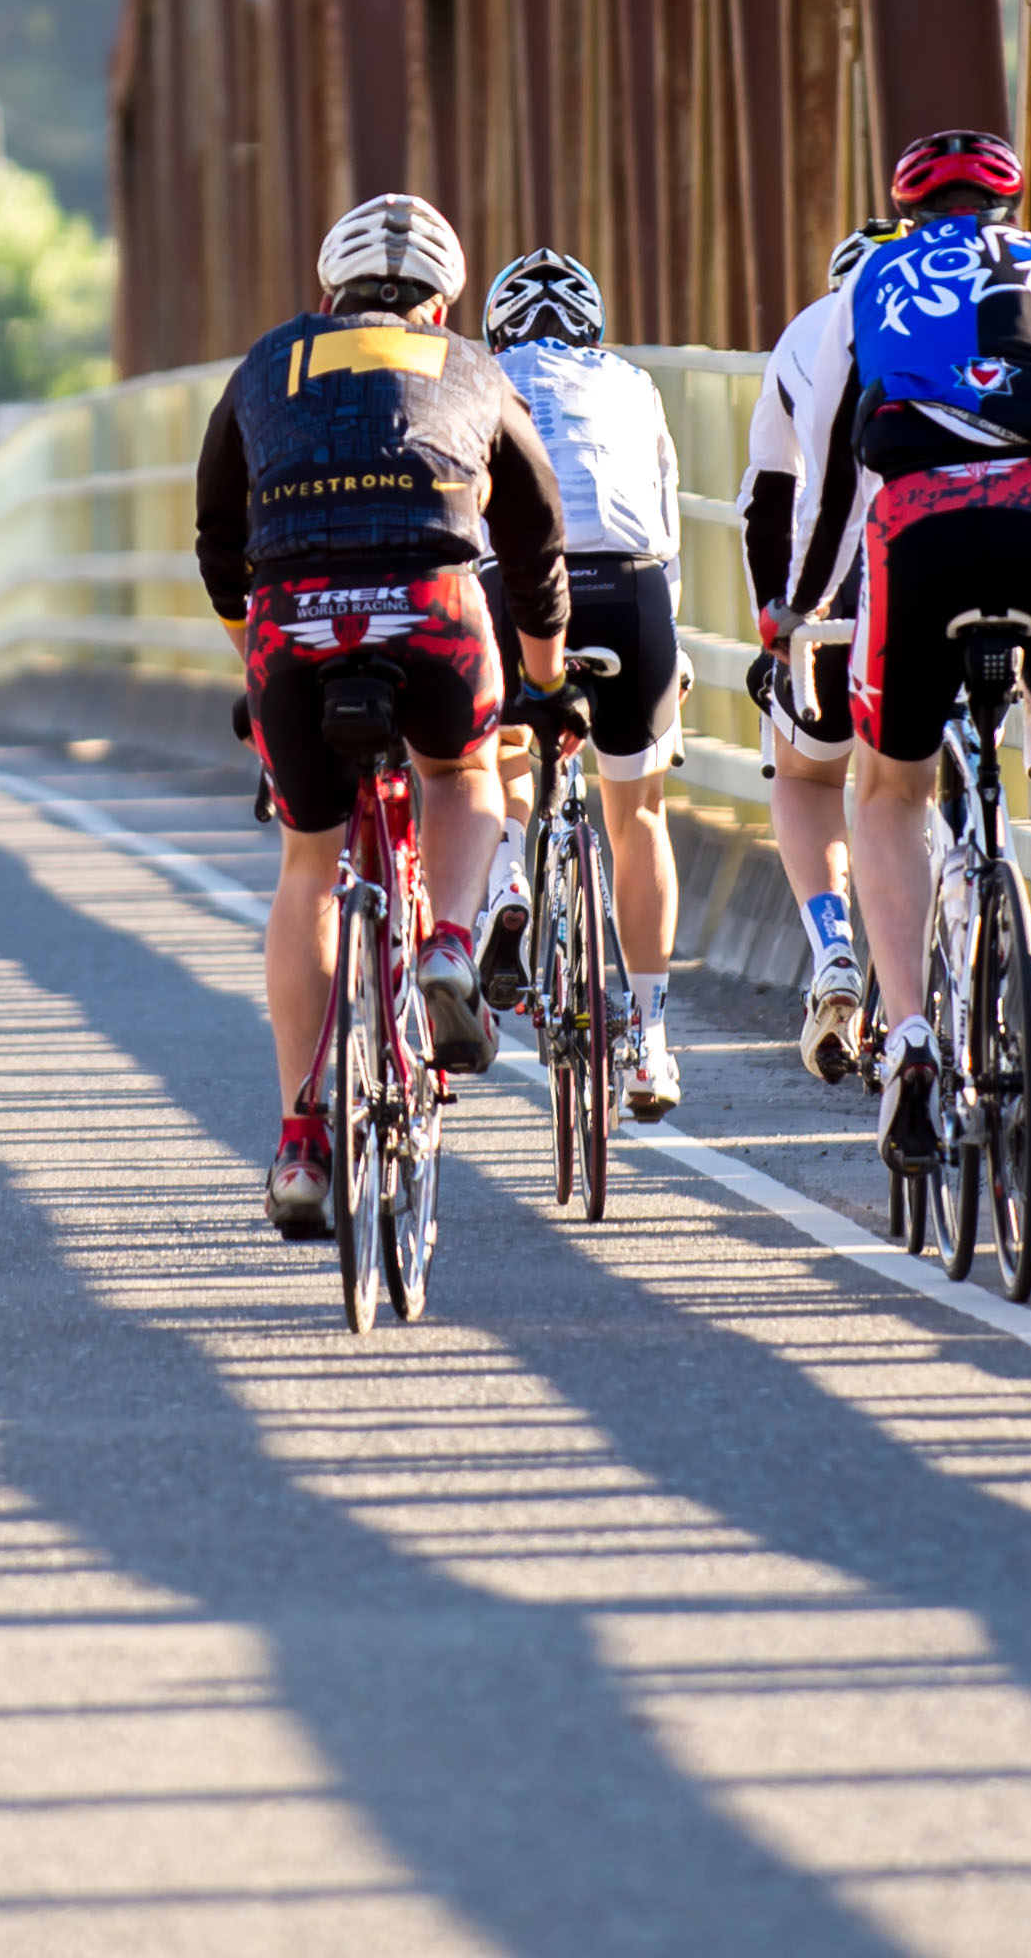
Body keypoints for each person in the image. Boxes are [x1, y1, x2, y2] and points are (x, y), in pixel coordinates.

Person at [195, 192, 569, 1237]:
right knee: (462, 770)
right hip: (431, 606)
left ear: (326, 296)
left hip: (292, 623)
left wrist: (256, 659)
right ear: (442, 306)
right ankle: (446, 945)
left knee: (308, 865)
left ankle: (300, 1144)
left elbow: (218, 539)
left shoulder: (267, 362)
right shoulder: (471, 368)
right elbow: (534, 537)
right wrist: (545, 677)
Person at [830, 130, 1031, 1172]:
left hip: (918, 525)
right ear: (1012, 207)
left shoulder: (875, 275)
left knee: (891, 786)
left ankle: (910, 1037)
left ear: (909, 212)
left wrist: (797, 606)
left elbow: (833, 464)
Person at [473, 248, 690, 1120]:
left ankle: (507, 880)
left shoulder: (476, 378)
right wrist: (670, 653)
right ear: (592, 329)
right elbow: (665, 526)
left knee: (496, 751)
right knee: (638, 812)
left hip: (518, 587)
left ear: (495, 330)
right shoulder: (633, 384)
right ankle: (651, 1041)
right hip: (633, 590)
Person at [739, 220, 895, 1081]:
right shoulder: (981, 309)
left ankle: (834, 945)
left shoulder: (811, 329)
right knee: (934, 765)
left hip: (843, 578)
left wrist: (778, 622)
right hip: (991, 556)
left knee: (808, 776)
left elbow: (772, 493)